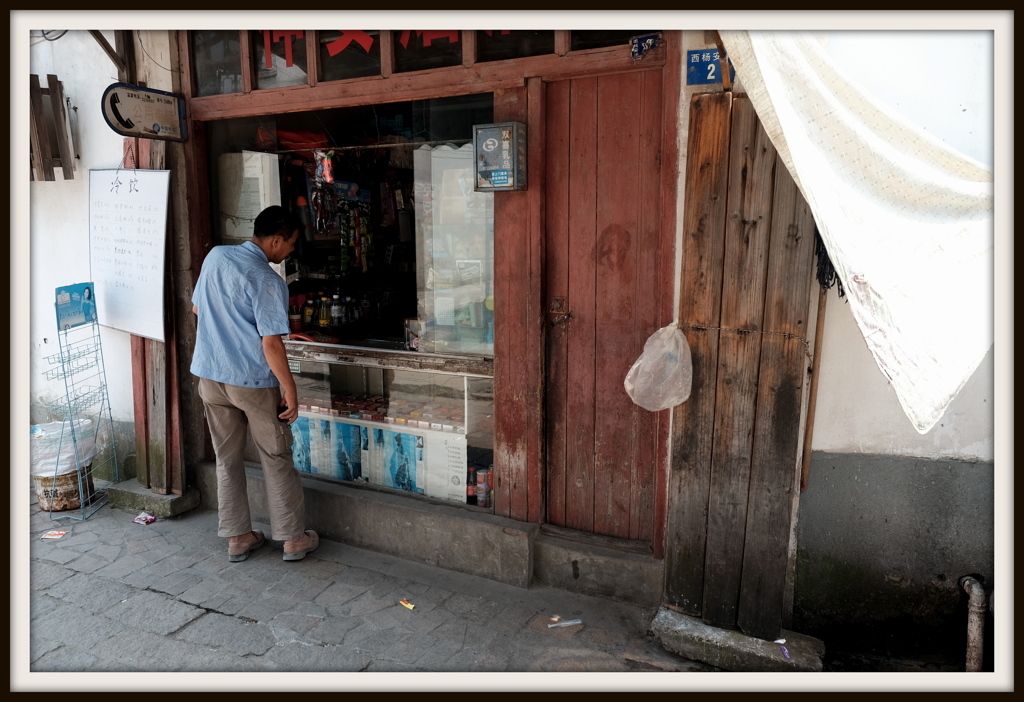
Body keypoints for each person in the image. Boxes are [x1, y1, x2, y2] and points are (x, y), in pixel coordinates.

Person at [191, 205, 319, 562]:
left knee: (226, 458)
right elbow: (271, 343)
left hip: (212, 374)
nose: (291, 250)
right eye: (291, 243)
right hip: (252, 380)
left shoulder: (216, 257)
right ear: (276, 240)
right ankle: (293, 538)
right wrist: (290, 390)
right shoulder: (268, 281)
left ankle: (238, 536)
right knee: (276, 454)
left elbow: (198, 309)